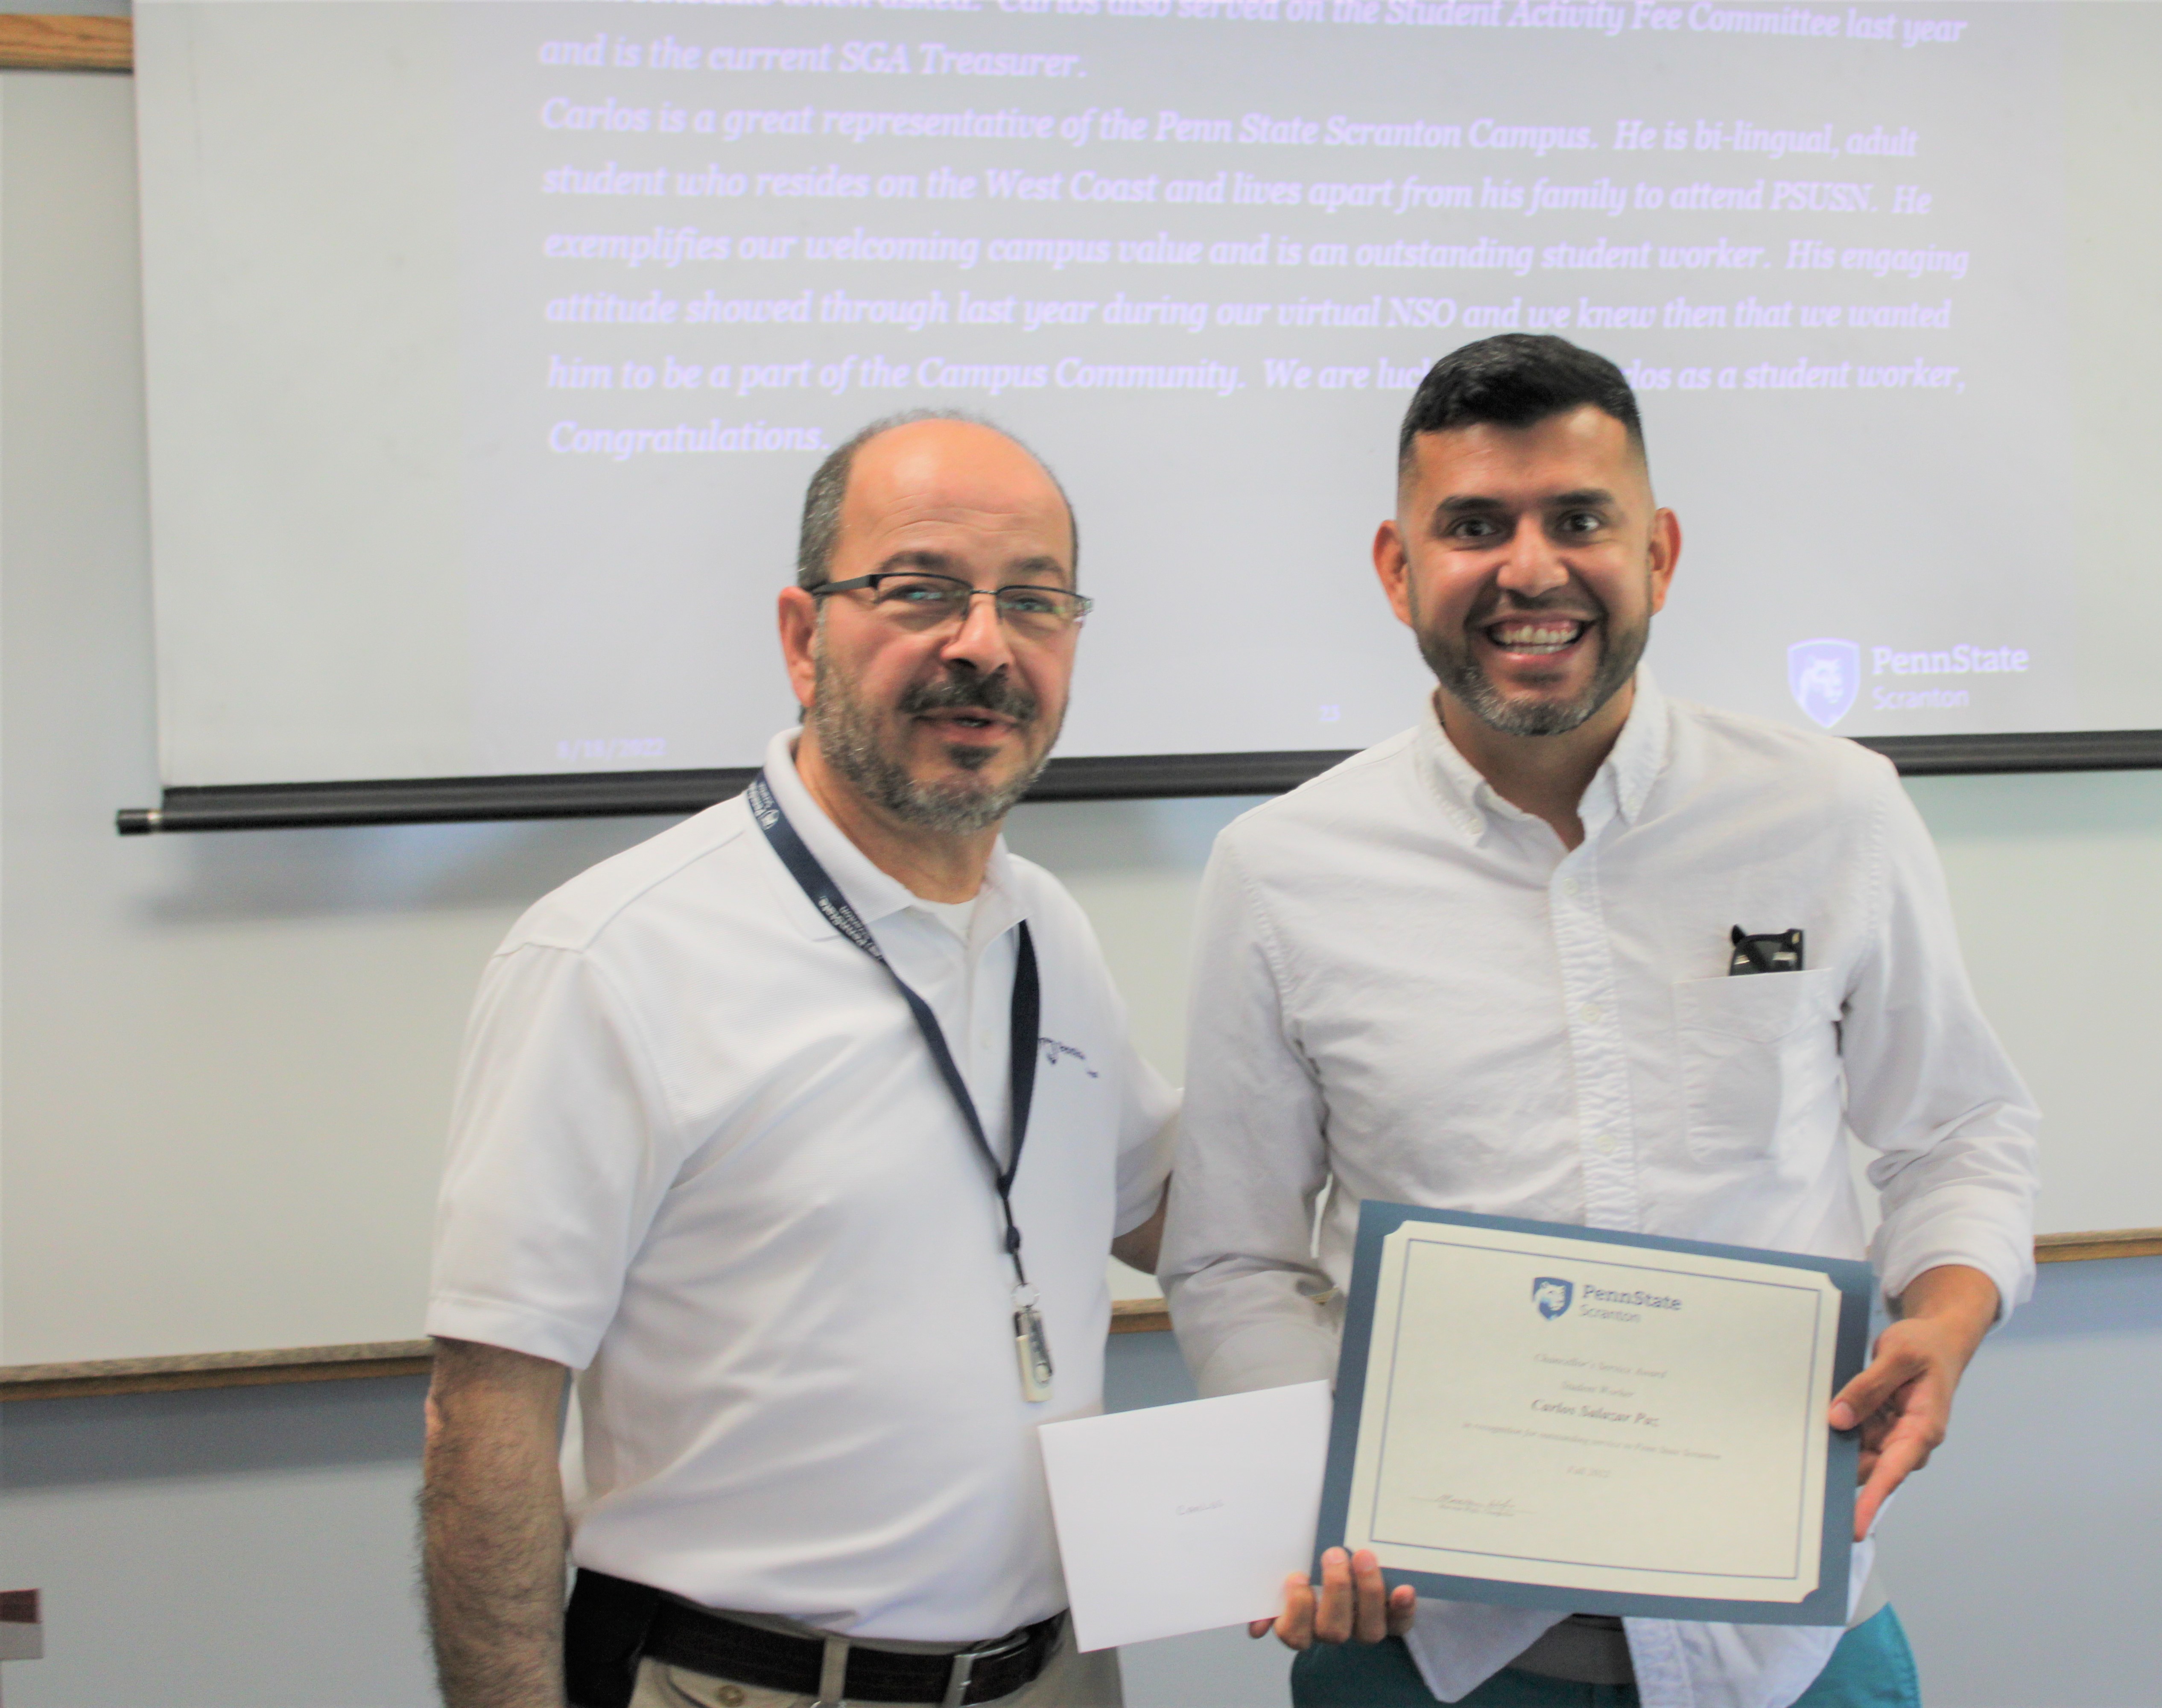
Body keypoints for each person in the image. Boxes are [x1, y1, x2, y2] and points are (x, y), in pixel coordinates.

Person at [1160, 335, 2039, 1708]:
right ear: (1399, 569)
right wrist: (1314, 1490)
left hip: (1791, 1652)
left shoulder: (1836, 812)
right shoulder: (1280, 873)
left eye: (1580, 520)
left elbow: (1961, 1129)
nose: (1530, 570)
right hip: (1430, 1654)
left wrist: (1950, 1312)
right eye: (1472, 527)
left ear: (1660, 554)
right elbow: (1232, 1258)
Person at [421, 412, 1174, 1708]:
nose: (983, 647)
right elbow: (484, 1418)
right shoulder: (614, 956)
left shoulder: (1046, 927)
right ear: (799, 634)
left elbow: (1184, 1215)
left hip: (1058, 1674)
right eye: (921, 591)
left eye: (1035, 604)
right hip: (741, 1686)